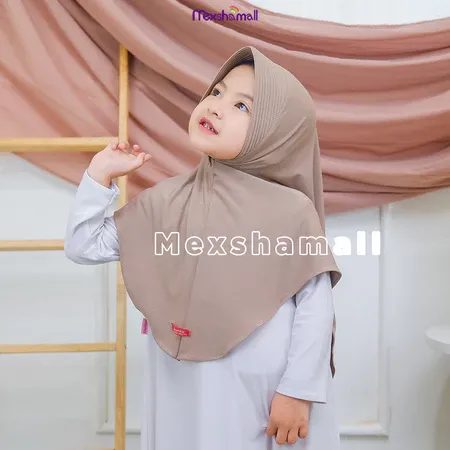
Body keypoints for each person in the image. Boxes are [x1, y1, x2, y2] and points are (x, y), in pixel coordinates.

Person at [65, 46, 342, 450]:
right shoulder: (167, 201)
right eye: (216, 92)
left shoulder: (291, 212)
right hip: (184, 386)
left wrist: (298, 391)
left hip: (264, 393)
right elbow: (83, 245)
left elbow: (316, 307)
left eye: (242, 106)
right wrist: (98, 176)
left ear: (275, 132)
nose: (215, 107)